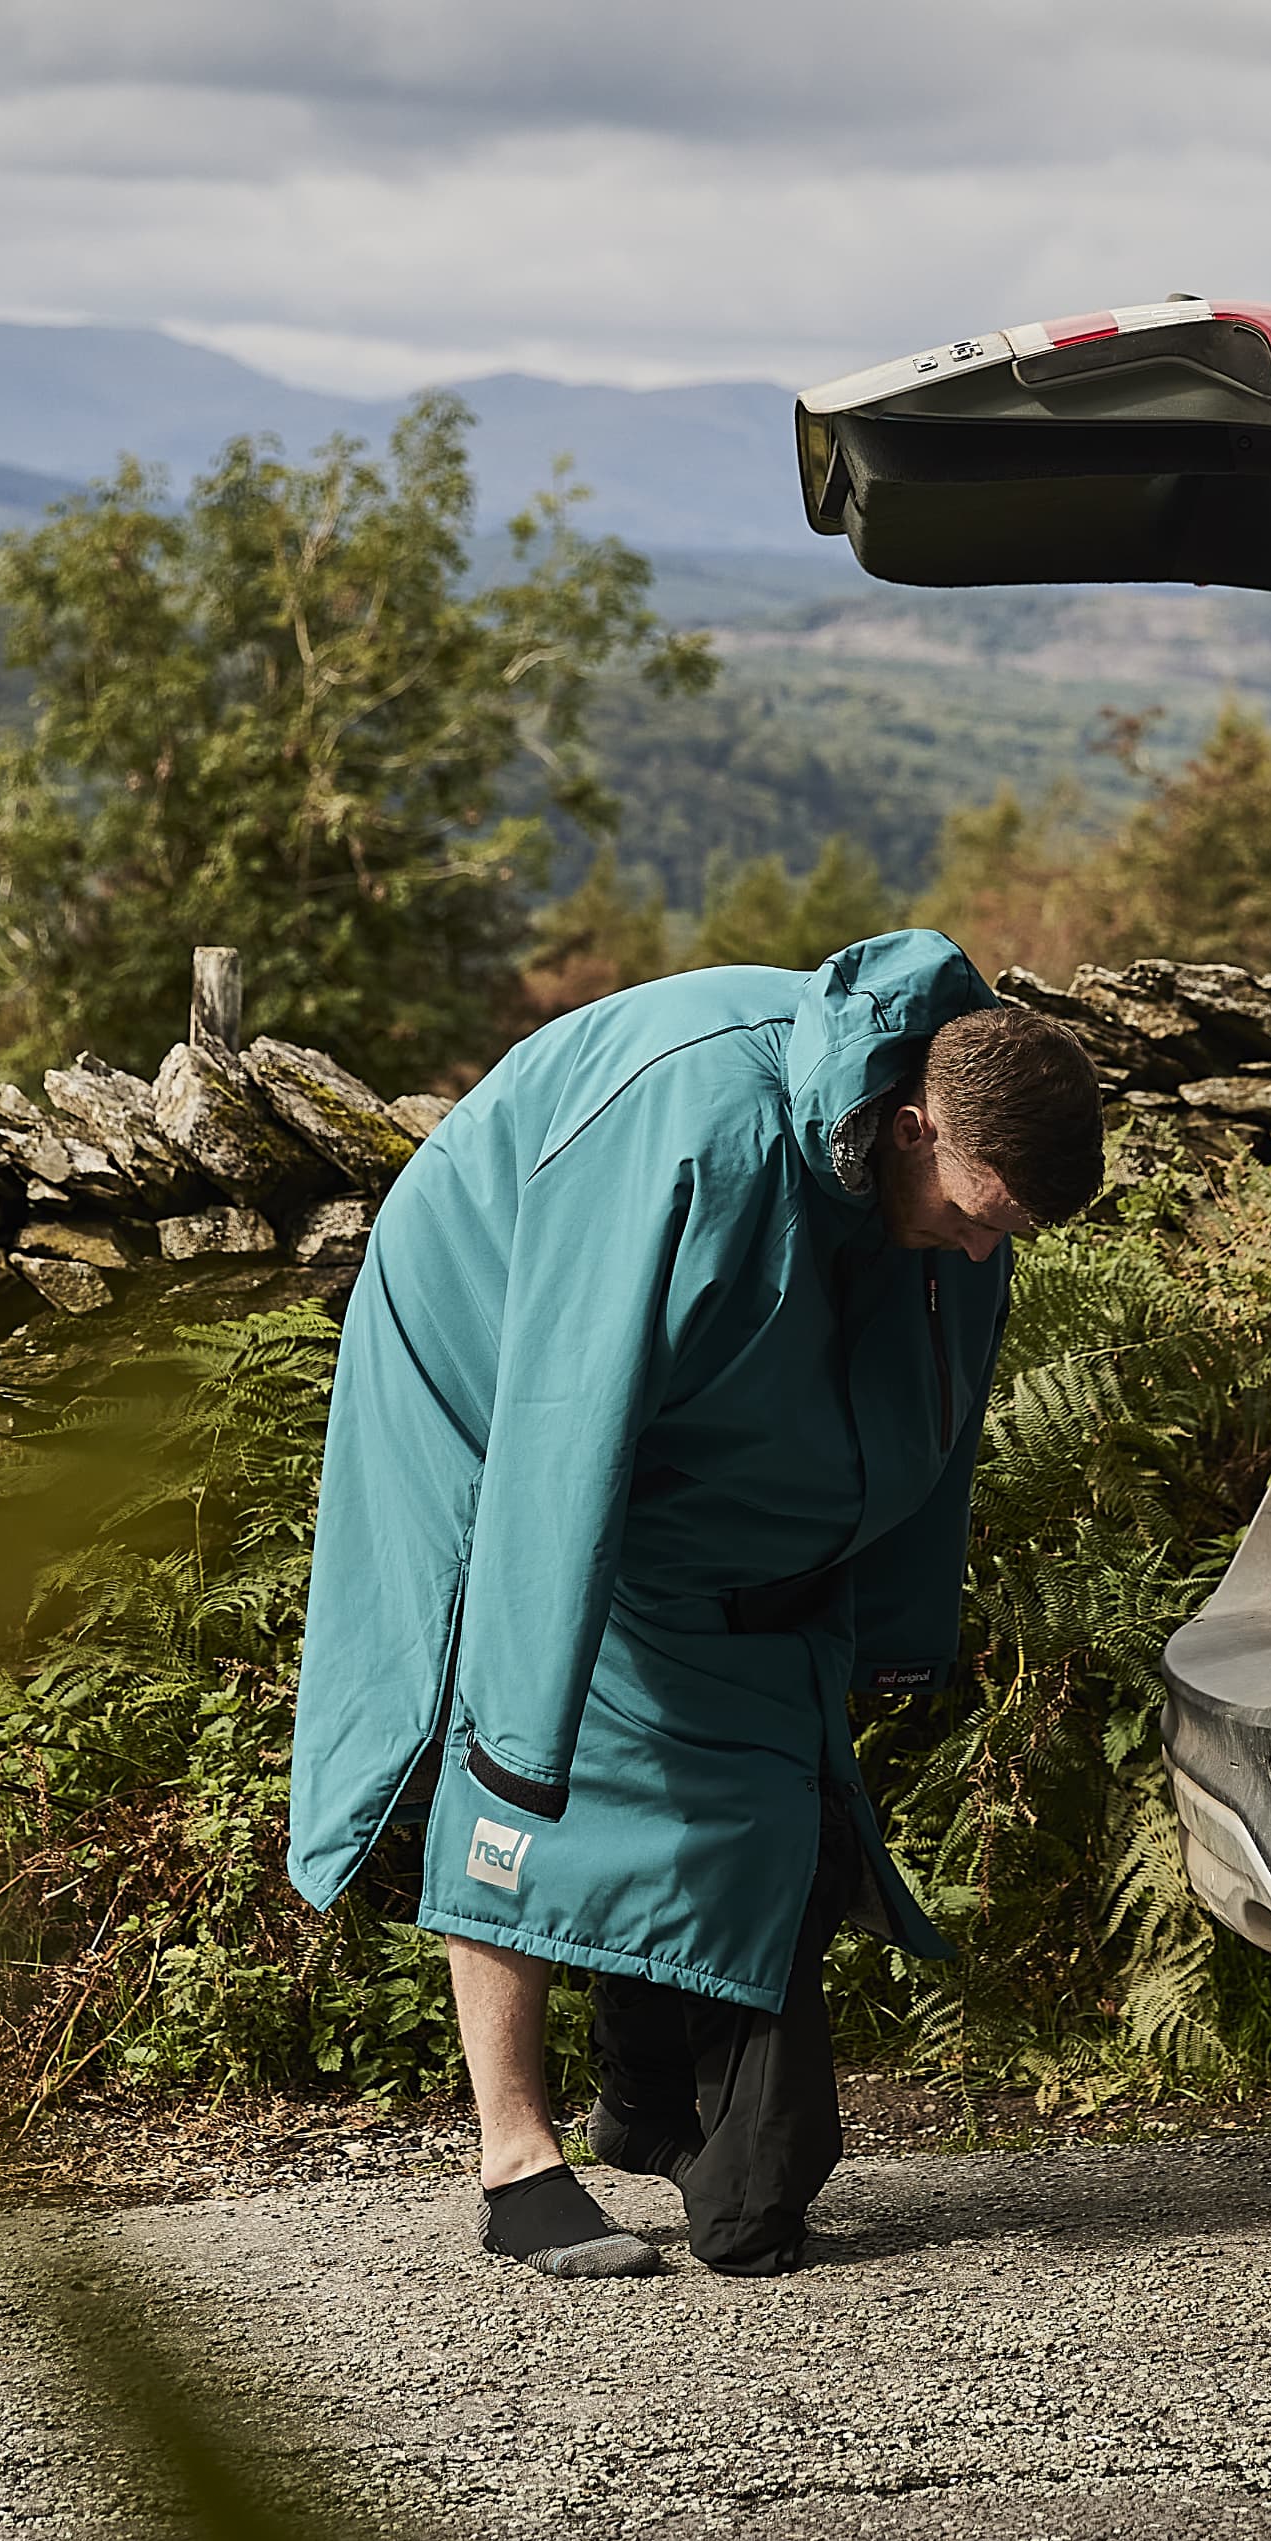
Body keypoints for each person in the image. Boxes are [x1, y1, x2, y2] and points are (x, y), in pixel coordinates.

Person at [286, 930, 1106, 2276]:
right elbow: (566, 1428)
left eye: (1003, 1232)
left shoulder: (952, 1176)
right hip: (491, 1335)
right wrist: (523, 1715)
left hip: (675, 1376)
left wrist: (894, 1625)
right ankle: (513, 2159)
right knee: (525, 1749)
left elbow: (924, 1417)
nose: (978, 1253)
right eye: (978, 1213)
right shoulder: (696, 1146)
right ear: (911, 1126)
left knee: (731, 1711)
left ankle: (645, 2098)